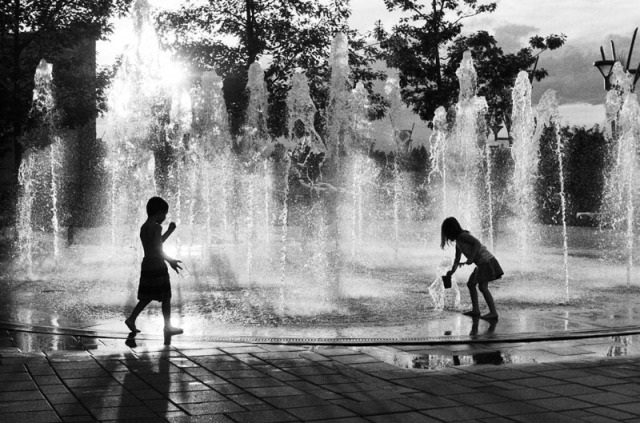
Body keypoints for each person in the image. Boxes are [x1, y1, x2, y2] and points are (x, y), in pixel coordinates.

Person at [125, 196, 183, 335]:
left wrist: (169, 232)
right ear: (159, 212)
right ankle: (167, 326)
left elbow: (155, 245)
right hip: (157, 265)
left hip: (147, 264)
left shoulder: (144, 227)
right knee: (166, 296)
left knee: (147, 295)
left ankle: (132, 319)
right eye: (164, 214)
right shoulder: (156, 228)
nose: (165, 217)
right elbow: (158, 250)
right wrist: (171, 261)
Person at [440, 216, 503, 320]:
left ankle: (493, 312)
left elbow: (477, 243)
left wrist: (472, 257)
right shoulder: (458, 243)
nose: (447, 237)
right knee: (471, 284)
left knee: (483, 288)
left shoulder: (463, 236)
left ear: (451, 230)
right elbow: (457, 259)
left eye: (446, 234)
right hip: (481, 264)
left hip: (486, 262)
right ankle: (476, 310)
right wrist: (451, 272)